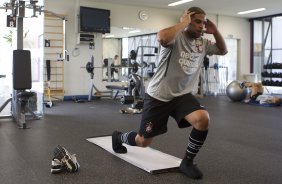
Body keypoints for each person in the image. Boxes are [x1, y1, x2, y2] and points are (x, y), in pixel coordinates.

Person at [112, 7, 228, 179]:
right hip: (159, 95)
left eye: (204, 22)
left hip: (182, 95)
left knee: (203, 119)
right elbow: (162, 37)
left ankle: (187, 162)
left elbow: (223, 50)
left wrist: (215, 31)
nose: (201, 26)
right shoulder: (175, 37)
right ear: (187, 20)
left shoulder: (202, 43)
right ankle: (118, 137)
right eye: (197, 21)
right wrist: (182, 23)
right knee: (143, 142)